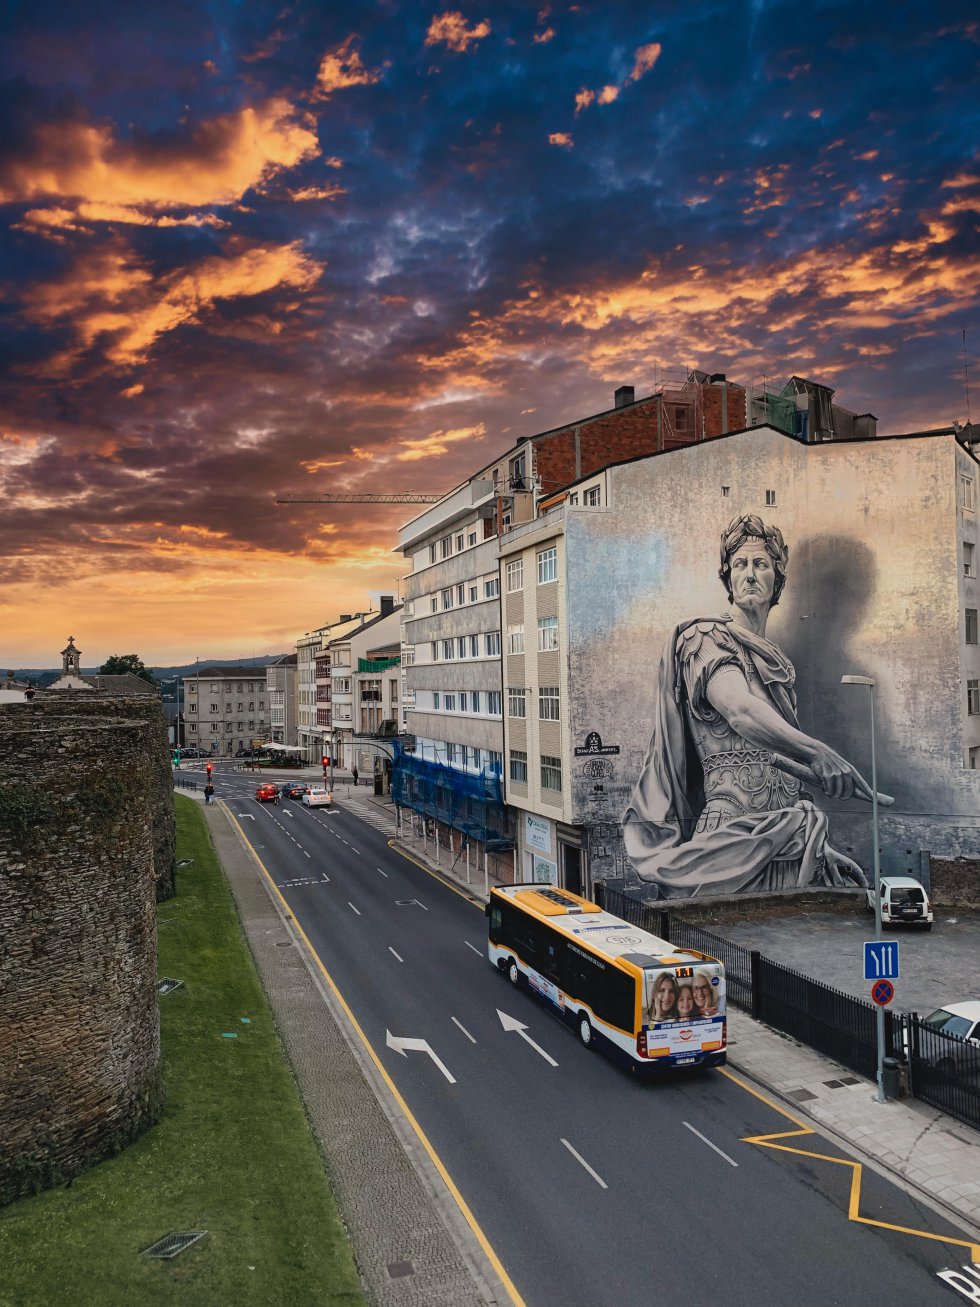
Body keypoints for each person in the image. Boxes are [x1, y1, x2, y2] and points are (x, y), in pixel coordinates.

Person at [623, 514, 872, 898]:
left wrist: (820, 847)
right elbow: (739, 710)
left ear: (778, 580)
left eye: (761, 564)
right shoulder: (702, 637)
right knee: (725, 952)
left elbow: (781, 767)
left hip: (790, 846)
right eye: (740, 565)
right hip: (728, 842)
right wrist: (818, 751)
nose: (750, 574)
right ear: (728, 578)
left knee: (787, 955)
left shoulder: (776, 664)